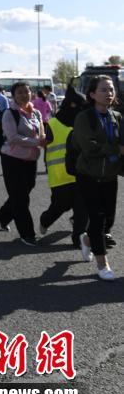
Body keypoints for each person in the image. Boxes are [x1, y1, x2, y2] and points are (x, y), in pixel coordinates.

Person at [70, 75, 123, 280]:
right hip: (88, 175)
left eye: (111, 89)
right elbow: (88, 147)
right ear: (92, 94)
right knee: (97, 218)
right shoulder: (84, 118)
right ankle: (102, 263)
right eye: (103, 89)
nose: (109, 93)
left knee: (108, 219)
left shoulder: (117, 117)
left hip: (109, 176)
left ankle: (87, 240)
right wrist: (116, 149)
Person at [0, 82, 46, 245]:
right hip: (12, 159)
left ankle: (3, 215)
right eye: (20, 92)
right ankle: (27, 233)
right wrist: (36, 142)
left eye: (26, 91)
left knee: (25, 191)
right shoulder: (9, 113)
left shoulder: (36, 112)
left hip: (31, 159)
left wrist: (44, 140)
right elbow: (13, 138)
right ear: (13, 95)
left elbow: (41, 133)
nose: (24, 95)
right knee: (20, 198)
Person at [38, 84, 89, 247]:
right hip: (60, 175)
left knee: (82, 207)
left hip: (81, 172)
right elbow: (44, 144)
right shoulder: (53, 123)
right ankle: (45, 220)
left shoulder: (84, 123)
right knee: (61, 205)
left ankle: (79, 239)